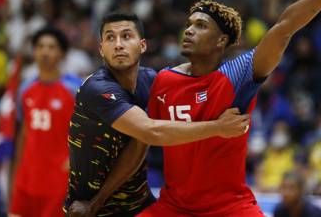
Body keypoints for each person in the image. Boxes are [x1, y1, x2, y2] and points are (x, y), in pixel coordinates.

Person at [137, 0, 321, 216]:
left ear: (221, 40)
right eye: (188, 25)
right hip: (174, 206)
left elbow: (284, 28)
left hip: (229, 206)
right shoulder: (164, 79)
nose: (188, 30)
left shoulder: (235, 75)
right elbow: (149, 137)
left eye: (200, 26)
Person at [64, 12, 250, 217]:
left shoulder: (152, 81)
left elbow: (139, 145)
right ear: (101, 49)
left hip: (139, 203)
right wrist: (218, 127)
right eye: (110, 38)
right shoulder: (97, 88)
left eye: (126, 36)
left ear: (142, 45)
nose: (118, 44)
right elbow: (151, 132)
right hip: (90, 207)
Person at [9, 27, 82, 217]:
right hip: (27, 176)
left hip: (59, 178)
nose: (45, 52)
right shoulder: (25, 89)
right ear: (34, 52)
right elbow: (23, 132)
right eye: (40, 46)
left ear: (62, 53)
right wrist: (15, 173)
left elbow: (92, 131)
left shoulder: (75, 88)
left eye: (51, 47)